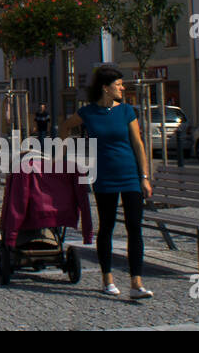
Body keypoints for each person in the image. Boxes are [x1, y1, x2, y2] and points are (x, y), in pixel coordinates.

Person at [59, 65, 153, 299]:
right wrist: (64, 156)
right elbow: (65, 127)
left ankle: (136, 283)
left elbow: (138, 144)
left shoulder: (127, 111)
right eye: (118, 84)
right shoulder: (88, 112)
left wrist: (144, 177)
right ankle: (107, 279)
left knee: (134, 228)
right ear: (105, 88)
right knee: (107, 227)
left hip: (130, 175)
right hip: (103, 177)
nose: (122, 87)